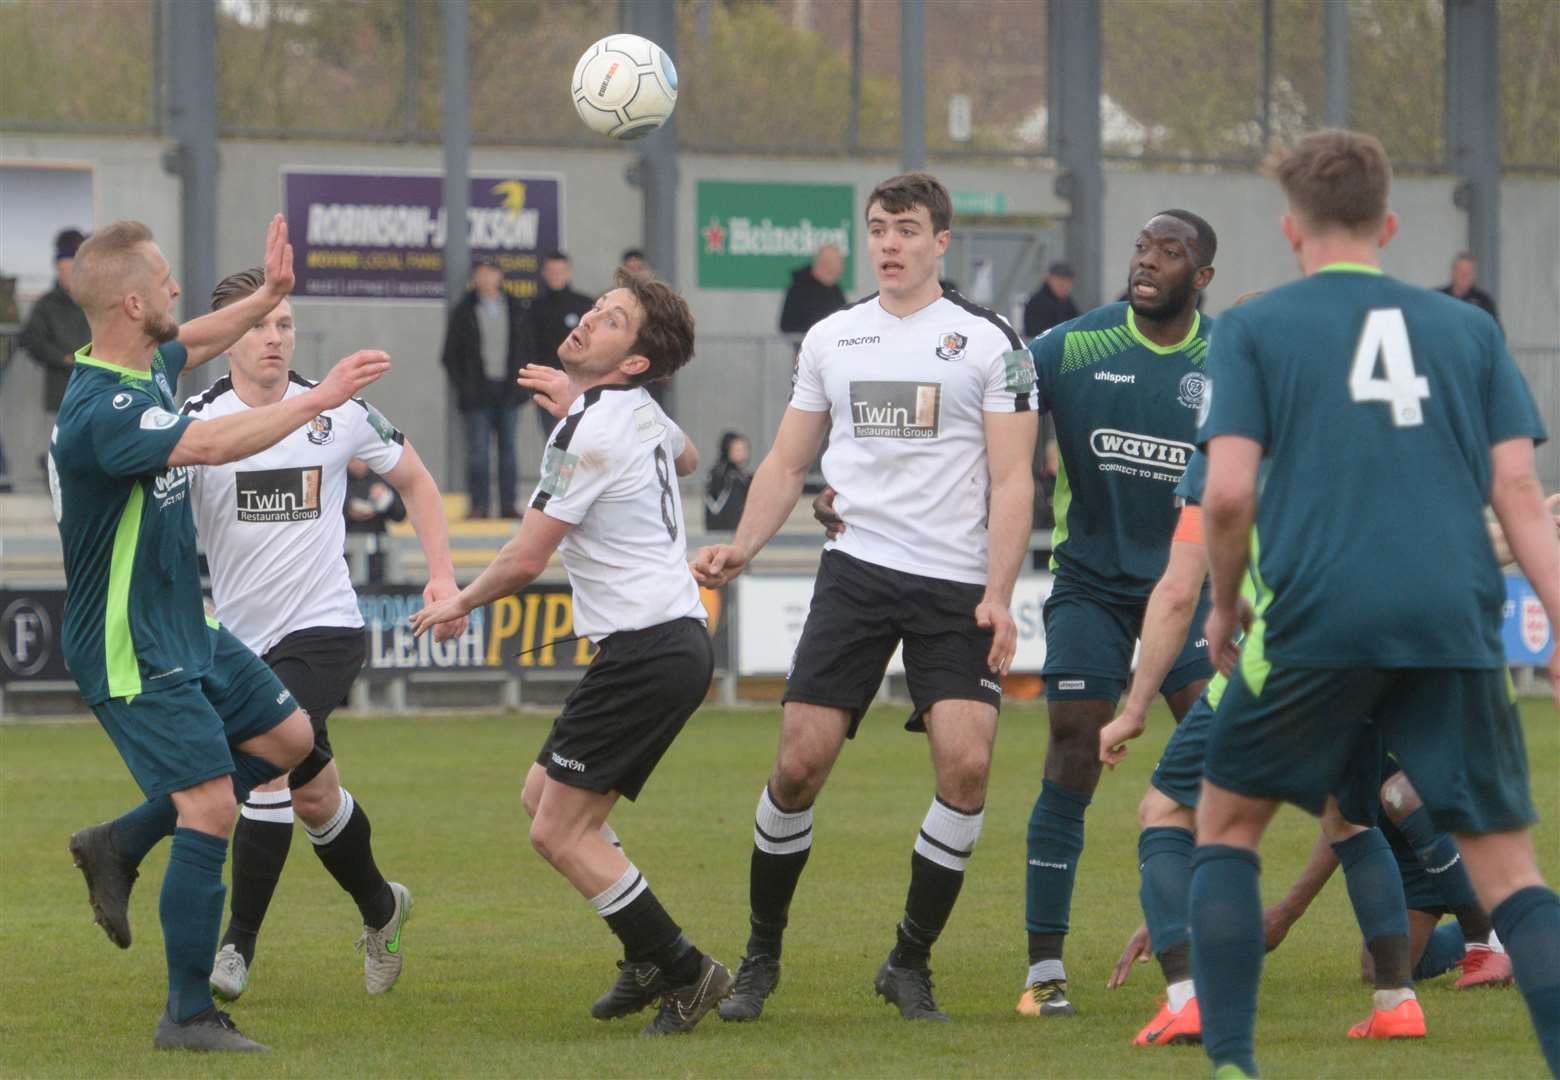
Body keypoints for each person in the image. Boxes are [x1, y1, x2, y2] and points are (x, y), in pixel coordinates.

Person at [1191, 128, 1560, 1078]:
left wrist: (1225, 607)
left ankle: (1232, 1064)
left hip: (1319, 615)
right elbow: (1518, 494)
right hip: (1452, 613)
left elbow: (1227, 494)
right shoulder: (1468, 329)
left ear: (1290, 229)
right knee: (1511, 869)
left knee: (1228, 827)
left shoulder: (1256, 327)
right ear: (1390, 223)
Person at [692, 171, 1039, 1023]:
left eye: (908, 229)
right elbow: (784, 463)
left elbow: (1013, 478)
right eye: (879, 228)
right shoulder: (833, 337)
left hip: (955, 584)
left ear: (941, 243)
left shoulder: (991, 343)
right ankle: (760, 957)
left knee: (967, 767)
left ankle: (909, 962)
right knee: (798, 767)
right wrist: (742, 544)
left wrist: (998, 594)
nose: (890, 243)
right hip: (855, 573)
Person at [55, 216, 389, 1052]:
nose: (178, 288)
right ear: (134, 302)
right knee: (211, 807)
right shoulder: (105, 410)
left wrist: (269, 297)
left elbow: (194, 339)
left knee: (287, 735)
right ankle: (187, 1013)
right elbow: (206, 442)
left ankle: (122, 840)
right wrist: (317, 401)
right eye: (165, 279)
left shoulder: (142, 360)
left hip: (186, 626)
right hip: (131, 643)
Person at [414, 269, 731, 1035]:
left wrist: (457, 599)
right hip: (668, 643)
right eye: (598, 307)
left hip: (648, 650)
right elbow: (685, 458)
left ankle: (684, 970)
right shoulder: (634, 410)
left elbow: (525, 560)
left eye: (612, 321)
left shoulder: (592, 430)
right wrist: (584, 401)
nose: (589, 320)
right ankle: (646, 951)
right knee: (540, 796)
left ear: (632, 363)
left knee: (555, 832)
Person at [180, 266, 465, 1004]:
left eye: (283, 324)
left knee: (268, 759)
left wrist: (442, 575)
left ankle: (236, 946)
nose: (273, 338)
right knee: (316, 798)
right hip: (238, 644)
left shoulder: (335, 410)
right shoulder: (199, 422)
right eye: (257, 325)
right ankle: (382, 907)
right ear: (223, 339)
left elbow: (417, 481)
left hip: (326, 629)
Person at [1099, 441, 1421, 1047]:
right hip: (1369, 660)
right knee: (1349, 820)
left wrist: (1134, 709)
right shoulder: (1362, 434)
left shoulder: (1226, 445)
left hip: (1274, 666)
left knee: (1164, 811)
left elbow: (1176, 591)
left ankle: (1187, 1000)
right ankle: (1398, 1002)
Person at [1016, 210, 1219, 1020]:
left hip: (1194, 587)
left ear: (1199, 278)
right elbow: (982, 412)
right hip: (1092, 583)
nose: (1148, 262)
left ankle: (1193, 932)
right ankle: (1043, 970)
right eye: (1142, 247)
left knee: (1216, 761)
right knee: (1072, 742)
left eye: (1170, 254)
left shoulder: (1229, 360)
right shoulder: (1069, 347)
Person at [439, 256, 535, 518]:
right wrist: (466, 385)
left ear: (500, 277)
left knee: (508, 452)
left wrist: (523, 385)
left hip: (509, 391)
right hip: (478, 394)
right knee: (479, 453)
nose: (486, 279)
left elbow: (527, 347)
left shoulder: (516, 308)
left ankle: (508, 505)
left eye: (491, 274)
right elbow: (450, 355)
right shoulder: (464, 310)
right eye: (481, 274)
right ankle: (479, 505)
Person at [19, 228, 91, 474]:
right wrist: (61, 357)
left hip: (94, 387)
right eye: (64, 269)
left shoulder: (95, 301)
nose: (68, 275)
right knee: (61, 452)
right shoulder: (46, 305)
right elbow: (31, 339)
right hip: (60, 391)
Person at [528, 250, 594, 443]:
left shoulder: (585, 306)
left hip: (582, 387)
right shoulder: (533, 308)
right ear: (544, 273)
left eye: (561, 271)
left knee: (580, 438)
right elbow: (528, 348)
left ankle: (577, 473)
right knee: (556, 439)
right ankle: (557, 474)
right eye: (552, 271)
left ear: (569, 272)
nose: (556, 275)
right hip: (547, 387)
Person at [345, 458, 407, 583]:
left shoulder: (381, 478)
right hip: (346, 553)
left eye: (361, 459)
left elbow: (400, 515)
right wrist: (348, 509)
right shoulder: (338, 480)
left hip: (378, 551)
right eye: (352, 460)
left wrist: (387, 498)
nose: (357, 464)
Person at [778, 244, 847, 340]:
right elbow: (787, 325)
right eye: (836, 263)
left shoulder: (835, 290)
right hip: (808, 349)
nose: (841, 268)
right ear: (825, 264)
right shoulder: (799, 288)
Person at [704, 431, 753, 531]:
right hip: (724, 532)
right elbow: (716, 506)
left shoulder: (742, 476)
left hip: (738, 529)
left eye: (744, 449)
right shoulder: (722, 475)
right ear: (727, 450)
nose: (743, 453)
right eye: (738, 449)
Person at [1438, 251, 1500, 329]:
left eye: (1468, 272)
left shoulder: (1484, 301)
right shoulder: (1438, 297)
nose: (1464, 276)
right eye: (1460, 271)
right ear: (1452, 272)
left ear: (1474, 276)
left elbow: (1495, 332)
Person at [1022, 261, 1080, 339]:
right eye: (1060, 280)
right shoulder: (1037, 303)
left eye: (1067, 281)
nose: (1064, 285)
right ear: (1049, 279)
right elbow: (1035, 334)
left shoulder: (1067, 303)